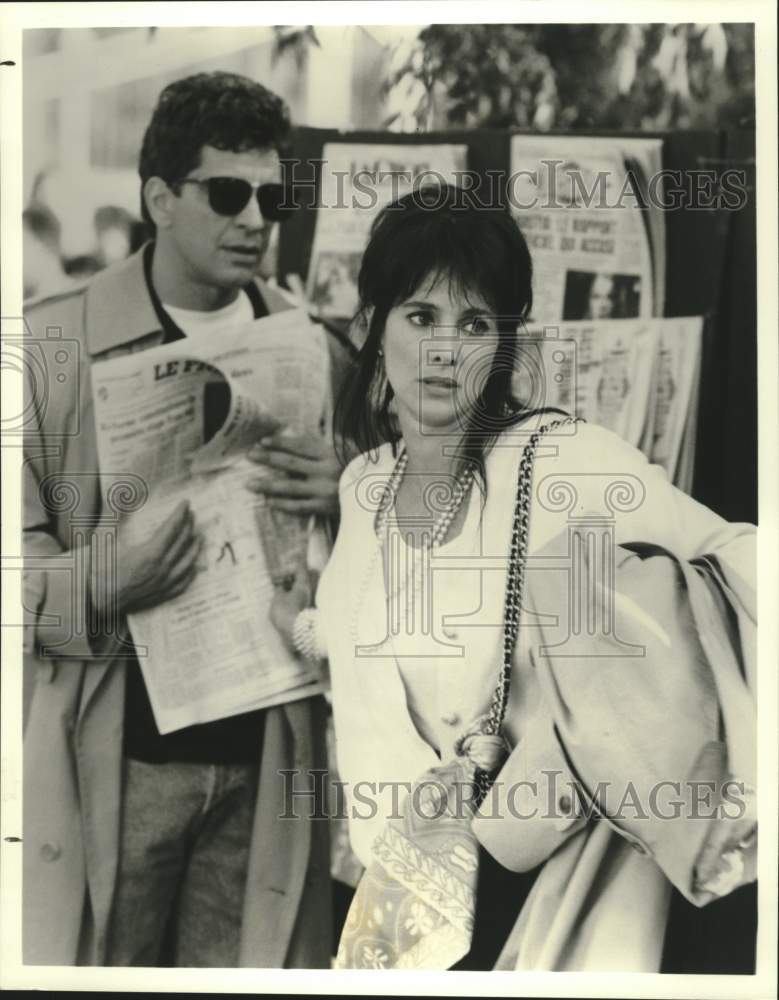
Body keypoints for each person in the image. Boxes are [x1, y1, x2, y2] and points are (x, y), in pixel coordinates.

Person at [270, 185, 757, 971]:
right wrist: (301, 625)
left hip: (538, 894)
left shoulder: (567, 463)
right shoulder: (365, 485)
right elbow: (379, 638)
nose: (443, 350)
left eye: (474, 324)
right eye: (420, 317)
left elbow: (739, 558)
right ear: (370, 326)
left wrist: (640, 645)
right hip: (400, 900)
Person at [22, 71, 352, 967]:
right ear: (159, 198)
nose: (255, 218)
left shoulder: (313, 348)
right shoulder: (50, 344)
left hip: (267, 758)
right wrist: (105, 578)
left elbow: (380, 555)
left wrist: (346, 496)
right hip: (113, 759)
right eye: (227, 193)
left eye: (272, 195)